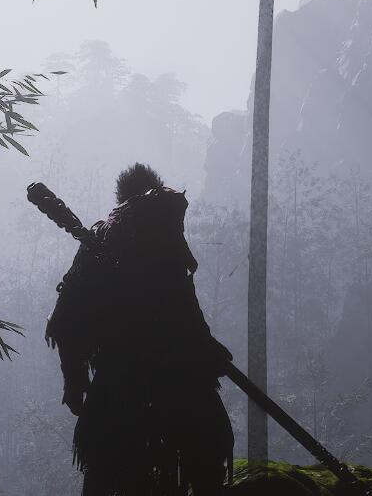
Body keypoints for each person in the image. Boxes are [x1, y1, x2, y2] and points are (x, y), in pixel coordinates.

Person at [46, 163, 234, 496]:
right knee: (205, 464)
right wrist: (206, 348)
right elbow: (187, 306)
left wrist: (74, 382)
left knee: (105, 470)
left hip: (121, 382)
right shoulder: (165, 235)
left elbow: (69, 320)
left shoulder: (103, 238)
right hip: (178, 380)